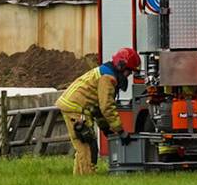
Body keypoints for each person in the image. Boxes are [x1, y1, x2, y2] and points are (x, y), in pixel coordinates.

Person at [55, 47, 138, 175]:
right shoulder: (108, 79)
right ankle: (87, 178)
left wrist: (105, 129)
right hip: (76, 109)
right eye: (129, 71)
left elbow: (97, 108)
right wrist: (120, 131)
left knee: (87, 145)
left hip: (75, 107)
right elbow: (106, 107)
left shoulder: (105, 72)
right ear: (121, 66)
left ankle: (80, 178)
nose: (129, 75)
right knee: (86, 146)